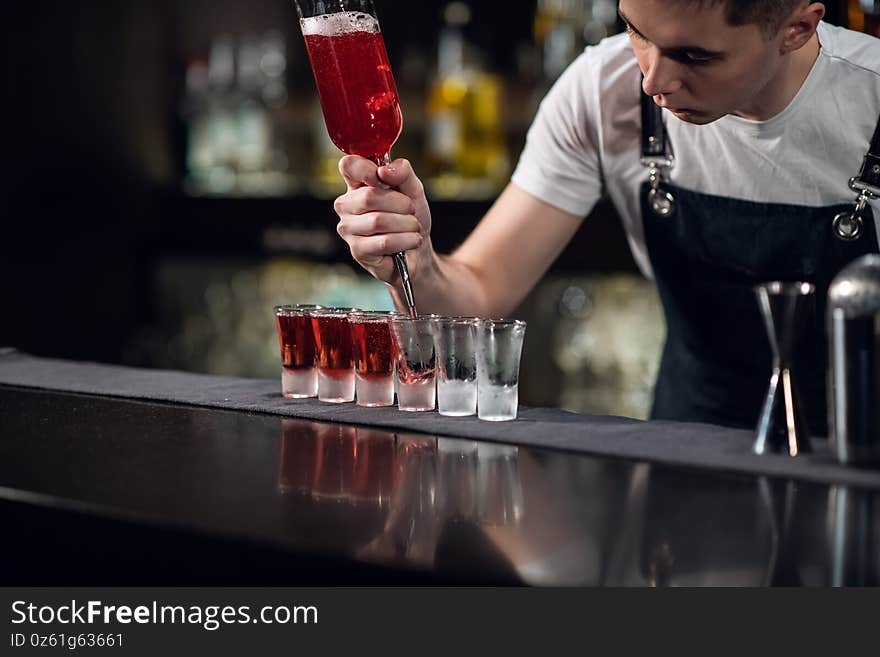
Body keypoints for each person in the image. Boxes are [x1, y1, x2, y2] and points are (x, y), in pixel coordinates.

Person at [331, 0, 880, 433]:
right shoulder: (602, 90)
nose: (652, 80)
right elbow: (476, 295)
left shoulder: (870, 98)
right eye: (637, 30)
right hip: (687, 448)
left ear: (797, 29)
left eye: (694, 56)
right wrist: (416, 262)